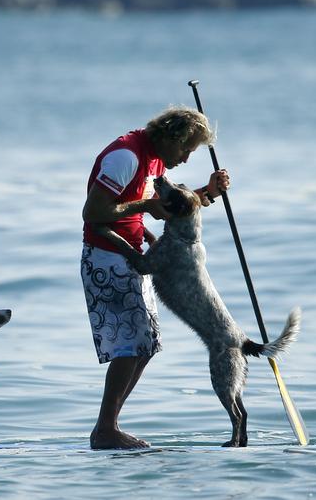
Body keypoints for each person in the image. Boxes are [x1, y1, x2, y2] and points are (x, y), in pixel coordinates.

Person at [81, 105, 230, 449]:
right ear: (171, 137)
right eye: (187, 149)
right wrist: (144, 208)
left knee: (145, 345)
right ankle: (105, 430)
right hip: (106, 258)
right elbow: (93, 212)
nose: (187, 158)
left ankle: (108, 426)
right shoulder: (126, 157)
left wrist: (208, 192)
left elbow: (170, 206)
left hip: (132, 257)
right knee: (131, 345)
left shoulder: (155, 159)